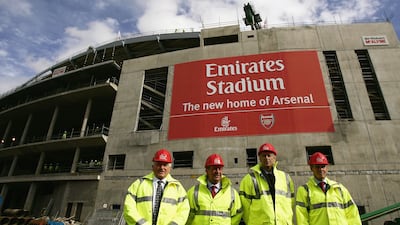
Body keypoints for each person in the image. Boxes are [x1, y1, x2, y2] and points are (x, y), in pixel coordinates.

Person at [123, 149, 190, 225]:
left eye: (165, 165)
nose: (162, 168)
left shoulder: (178, 187)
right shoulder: (138, 184)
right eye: (159, 164)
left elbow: (183, 211)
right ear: (153, 166)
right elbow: (129, 207)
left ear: (170, 168)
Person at [295, 152, 362, 225]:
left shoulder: (339, 188)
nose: (320, 169)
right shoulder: (304, 190)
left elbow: (352, 214)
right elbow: (302, 217)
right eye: (317, 167)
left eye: (323, 166)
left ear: (327, 168)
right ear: (311, 168)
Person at [239, 142, 295, 225]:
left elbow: (291, 202)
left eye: (269, 155)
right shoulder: (249, 179)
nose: (266, 158)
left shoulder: (285, 177)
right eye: (263, 155)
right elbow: (245, 206)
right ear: (260, 158)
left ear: (274, 157)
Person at [186, 153, 243, 225]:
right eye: (214, 168)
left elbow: (237, 215)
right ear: (207, 170)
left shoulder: (232, 193)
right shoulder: (194, 192)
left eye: (220, 168)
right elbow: (187, 215)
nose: (218, 172)